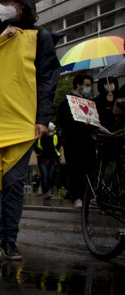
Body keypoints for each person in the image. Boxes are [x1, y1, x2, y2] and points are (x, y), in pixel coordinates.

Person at [0, 0, 60, 262]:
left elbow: (47, 80)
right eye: (0, 1)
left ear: (24, 6)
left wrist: (42, 119)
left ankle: (9, 239)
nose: (3, 6)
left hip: (21, 121)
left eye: (9, 1)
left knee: (13, 181)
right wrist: (1, 39)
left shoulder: (42, 38)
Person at [56, 74, 96, 209]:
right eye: (86, 85)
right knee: (75, 170)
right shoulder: (66, 102)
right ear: (78, 85)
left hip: (87, 142)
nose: (88, 88)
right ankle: (76, 196)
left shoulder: (89, 103)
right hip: (73, 142)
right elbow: (61, 120)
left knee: (89, 169)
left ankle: (88, 196)